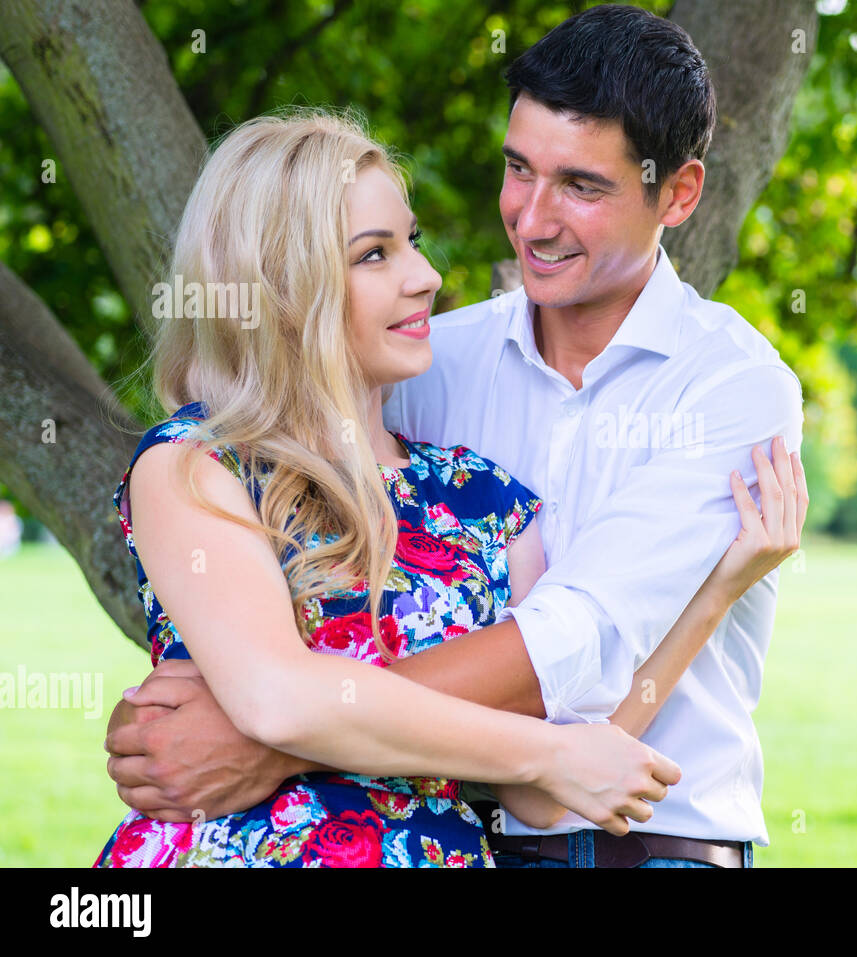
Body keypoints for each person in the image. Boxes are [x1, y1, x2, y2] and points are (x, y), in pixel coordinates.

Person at [106, 4, 807, 868]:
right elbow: (260, 632)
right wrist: (251, 705)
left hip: (649, 841)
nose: (534, 219)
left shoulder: (729, 385)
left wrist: (269, 732)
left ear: (681, 192)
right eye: (519, 170)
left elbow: (570, 661)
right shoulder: (422, 366)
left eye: (582, 187)